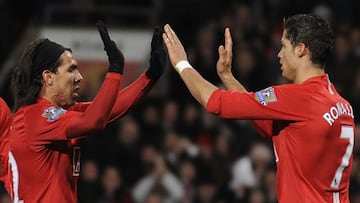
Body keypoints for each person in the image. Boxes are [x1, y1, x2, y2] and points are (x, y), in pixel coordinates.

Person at [162, 13, 355, 202]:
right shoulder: (342, 105)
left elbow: (215, 102)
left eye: (284, 46)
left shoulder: (297, 98)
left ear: (300, 49)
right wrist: (228, 78)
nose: (279, 54)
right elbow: (266, 124)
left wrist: (182, 64)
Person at [7, 21, 167, 203]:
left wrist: (150, 76)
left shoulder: (59, 112)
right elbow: (94, 121)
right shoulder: (34, 116)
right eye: (71, 70)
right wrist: (115, 70)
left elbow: (107, 110)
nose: (79, 77)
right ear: (48, 77)